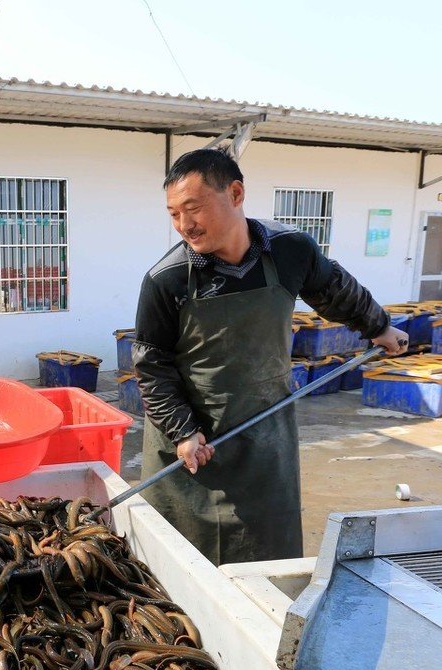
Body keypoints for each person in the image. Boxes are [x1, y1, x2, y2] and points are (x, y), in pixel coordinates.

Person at [134, 148, 408, 565]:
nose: (184, 225)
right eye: (173, 214)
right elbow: (152, 364)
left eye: (193, 208)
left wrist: (379, 327)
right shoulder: (167, 278)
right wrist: (183, 431)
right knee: (179, 566)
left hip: (265, 432)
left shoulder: (289, 251)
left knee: (265, 558)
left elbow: (334, 289)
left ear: (236, 193)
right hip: (192, 440)